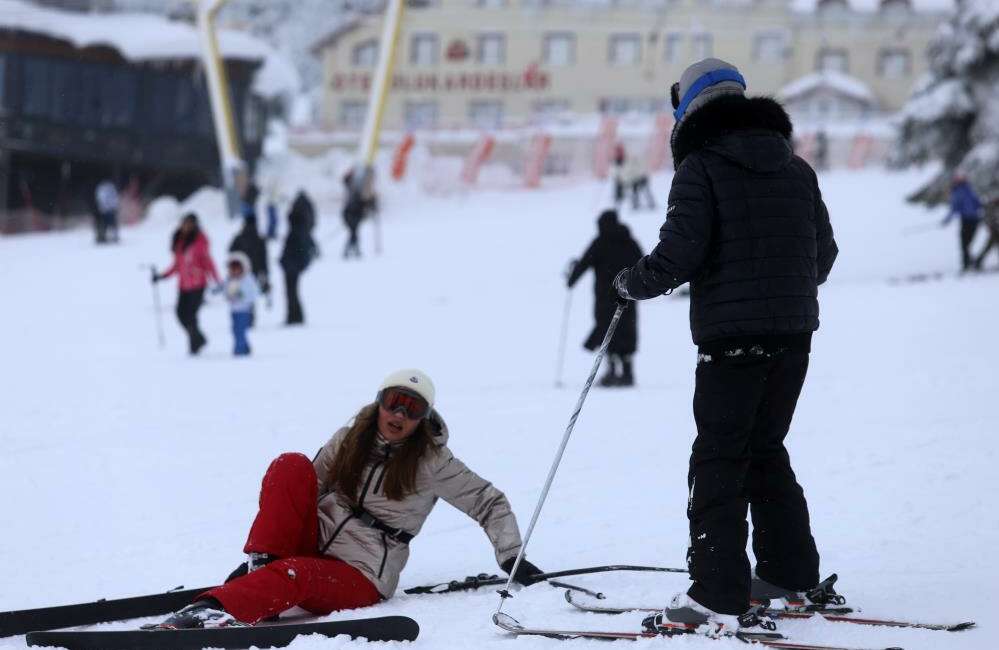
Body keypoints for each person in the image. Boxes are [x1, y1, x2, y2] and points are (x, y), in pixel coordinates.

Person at [612, 58, 840, 636]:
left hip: (732, 340)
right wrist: (780, 288)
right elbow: (825, 255)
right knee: (765, 448)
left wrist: (629, 282)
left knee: (718, 459)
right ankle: (789, 572)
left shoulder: (701, 167)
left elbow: (677, 255)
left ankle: (716, 593)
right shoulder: (796, 168)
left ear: (687, 109)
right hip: (794, 335)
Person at [152, 369, 544, 629]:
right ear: (379, 403)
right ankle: (264, 570)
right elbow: (308, 486)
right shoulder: (350, 438)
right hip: (315, 544)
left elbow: (488, 501)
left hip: (362, 572)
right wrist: (279, 545)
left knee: (298, 575)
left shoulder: (433, 462)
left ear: (423, 418)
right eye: (394, 401)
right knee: (291, 465)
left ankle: (216, 612)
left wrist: (511, 556)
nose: (400, 414)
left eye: (413, 408)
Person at [567, 209, 643, 387]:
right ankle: (627, 372)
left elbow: (584, 263)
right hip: (627, 296)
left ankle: (611, 371)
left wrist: (572, 280)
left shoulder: (599, 243)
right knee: (626, 332)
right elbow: (642, 263)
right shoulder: (629, 242)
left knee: (607, 330)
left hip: (604, 298)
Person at [153, 213, 222, 355]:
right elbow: (177, 265)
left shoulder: (200, 242)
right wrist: (162, 276)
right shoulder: (179, 241)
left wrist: (216, 280)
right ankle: (199, 338)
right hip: (183, 285)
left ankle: (194, 346)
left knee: (191, 315)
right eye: (184, 223)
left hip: (198, 284)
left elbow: (208, 262)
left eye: (189, 224)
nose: (186, 226)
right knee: (180, 314)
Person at [279, 192, 319, 325]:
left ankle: (294, 316)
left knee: (291, 291)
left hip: (292, 262)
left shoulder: (298, 225)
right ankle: (294, 316)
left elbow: (299, 244)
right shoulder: (303, 224)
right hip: (293, 261)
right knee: (292, 291)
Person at [229, 205, 270, 326]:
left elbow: (231, 250)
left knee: (238, 296)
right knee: (250, 296)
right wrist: (265, 275)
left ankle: (240, 318)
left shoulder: (240, 237)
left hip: (239, 272)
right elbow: (264, 259)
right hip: (254, 272)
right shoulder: (259, 238)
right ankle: (249, 318)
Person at [941, 174, 982, 272]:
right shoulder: (970, 190)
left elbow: (954, 208)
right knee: (967, 243)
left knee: (964, 244)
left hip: (967, 220)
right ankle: (971, 262)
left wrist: (947, 220)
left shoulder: (958, 192)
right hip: (975, 219)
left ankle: (967, 265)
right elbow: (978, 204)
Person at [224, 252, 259, 357]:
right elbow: (225, 292)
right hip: (234, 311)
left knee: (240, 331)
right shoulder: (229, 280)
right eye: (232, 268)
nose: (234, 271)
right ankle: (245, 347)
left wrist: (241, 296)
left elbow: (253, 294)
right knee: (235, 330)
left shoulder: (248, 280)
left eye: (237, 268)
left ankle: (239, 350)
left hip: (244, 311)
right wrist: (229, 296)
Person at [342, 169, 378, 259]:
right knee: (353, 233)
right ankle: (352, 251)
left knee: (353, 233)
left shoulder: (361, 190)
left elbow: (368, 203)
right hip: (350, 214)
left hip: (355, 215)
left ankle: (351, 250)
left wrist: (373, 203)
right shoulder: (353, 188)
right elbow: (346, 180)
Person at [973, 198, 999, 269]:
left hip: (995, 229)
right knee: (988, 247)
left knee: (988, 247)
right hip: (994, 230)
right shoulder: (991, 206)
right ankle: (978, 261)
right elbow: (987, 218)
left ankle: (978, 261)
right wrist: (990, 226)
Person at [94, 178, 120, 244]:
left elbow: (114, 198)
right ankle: (102, 236)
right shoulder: (104, 188)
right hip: (106, 209)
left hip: (108, 209)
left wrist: (114, 206)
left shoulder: (109, 188)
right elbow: (101, 198)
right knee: (104, 223)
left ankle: (111, 236)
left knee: (111, 223)